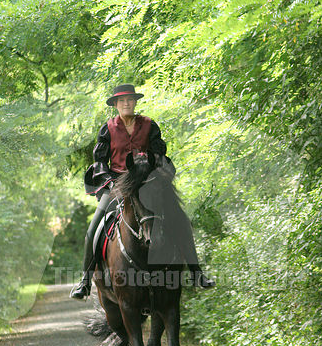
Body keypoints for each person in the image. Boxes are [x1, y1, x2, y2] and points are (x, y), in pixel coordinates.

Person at [70, 84, 215, 299]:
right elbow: (100, 162)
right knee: (95, 226)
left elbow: (159, 154)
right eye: (122, 100)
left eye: (130, 99)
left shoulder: (149, 125)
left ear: (135, 102)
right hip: (119, 185)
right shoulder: (107, 129)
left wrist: (152, 170)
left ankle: (197, 273)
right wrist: (110, 183)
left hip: (147, 183)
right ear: (116, 105)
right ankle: (85, 281)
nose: (126, 103)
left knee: (181, 219)